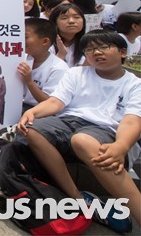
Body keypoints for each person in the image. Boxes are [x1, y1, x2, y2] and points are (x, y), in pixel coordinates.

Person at [16, 29, 141, 231]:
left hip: (103, 130)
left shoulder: (135, 85)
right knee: (31, 129)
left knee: (82, 140)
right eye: (90, 49)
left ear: (122, 52)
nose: (96, 52)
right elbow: (56, 102)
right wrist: (33, 113)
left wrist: (121, 146)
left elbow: (131, 121)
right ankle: (77, 197)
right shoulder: (76, 73)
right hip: (67, 122)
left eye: (103, 47)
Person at [16, 18, 68, 112]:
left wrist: (29, 81)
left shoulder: (59, 68)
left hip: (38, 111)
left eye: (25, 37)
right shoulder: (19, 58)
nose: (20, 40)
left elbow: (49, 103)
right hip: (16, 105)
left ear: (45, 41)